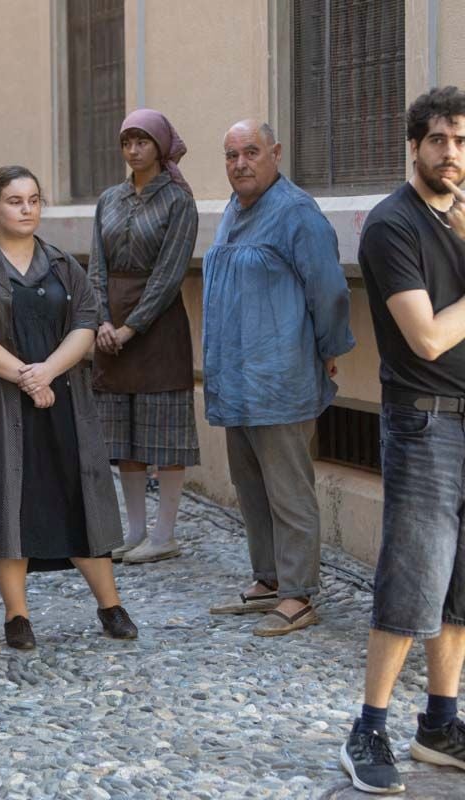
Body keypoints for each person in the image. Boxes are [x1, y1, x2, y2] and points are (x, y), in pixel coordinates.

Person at [0, 166, 138, 650]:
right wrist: (26, 378)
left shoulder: (63, 266)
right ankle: (17, 617)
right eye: (14, 200)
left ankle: (110, 606)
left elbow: (87, 323)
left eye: (33, 200)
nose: (26, 209)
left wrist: (47, 372)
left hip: (62, 405)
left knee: (78, 500)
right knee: (12, 505)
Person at [340, 86, 465, 794]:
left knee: (461, 588)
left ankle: (439, 725)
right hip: (425, 421)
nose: (452, 153)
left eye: (462, 141)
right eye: (440, 140)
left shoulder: (464, 218)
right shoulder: (393, 226)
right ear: (414, 144)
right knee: (413, 579)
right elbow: (426, 335)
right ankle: (369, 728)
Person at [202, 120, 354, 636]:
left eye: (251, 152)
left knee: (289, 492)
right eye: (230, 155)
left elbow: (329, 291)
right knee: (251, 486)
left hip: (279, 377)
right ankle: (268, 579)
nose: (240, 163)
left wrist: (330, 348)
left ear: (276, 153)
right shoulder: (234, 208)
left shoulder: (296, 214)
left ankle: (298, 593)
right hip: (235, 377)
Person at [88, 109, 200, 564]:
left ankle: (165, 533)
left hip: (157, 329)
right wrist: (101, 321)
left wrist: (132, 327)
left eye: (142, 142)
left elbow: (169, 274)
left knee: (164, 431)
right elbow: (95, 266)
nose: (133, 150)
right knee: (124, 435)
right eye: (127, 142)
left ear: (161, 146)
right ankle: (134, 530)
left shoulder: (178, 201)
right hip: (109, 327)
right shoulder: (109, 199)